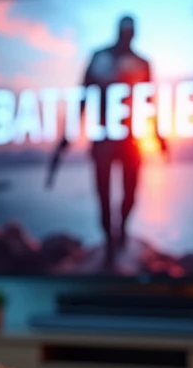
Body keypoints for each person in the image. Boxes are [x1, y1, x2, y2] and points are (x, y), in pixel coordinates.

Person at [46, 15, 167, 264]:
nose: (127, 36)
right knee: (103, 196)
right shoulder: (99, 58)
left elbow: (150, 103)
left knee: (130, 194)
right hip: (103, 142)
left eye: (130, 32)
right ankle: (110, 246)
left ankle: (121, 229)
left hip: (131, 141)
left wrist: (158, 135)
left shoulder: (142, 63)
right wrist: (67, 137)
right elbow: (83, 98)